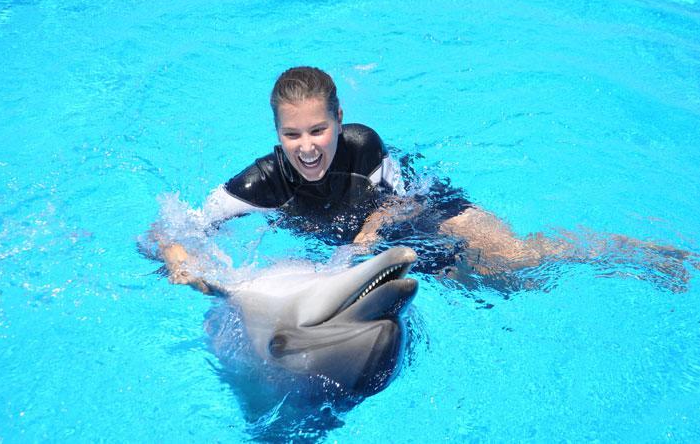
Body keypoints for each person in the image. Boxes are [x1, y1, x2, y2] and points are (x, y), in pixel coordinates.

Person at [153, 66, 697, 293]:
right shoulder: (261, 182)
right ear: (277, 135)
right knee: (496, 287)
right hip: (362, 246)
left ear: (338, 122)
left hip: (421, 210)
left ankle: (642, 255)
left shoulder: (362, 147)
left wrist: (366, 237)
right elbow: (175, 226)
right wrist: (178, 256)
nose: (308, 145)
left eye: (319, 129)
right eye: (293, 135)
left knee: (519, 259)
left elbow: (399, 205)